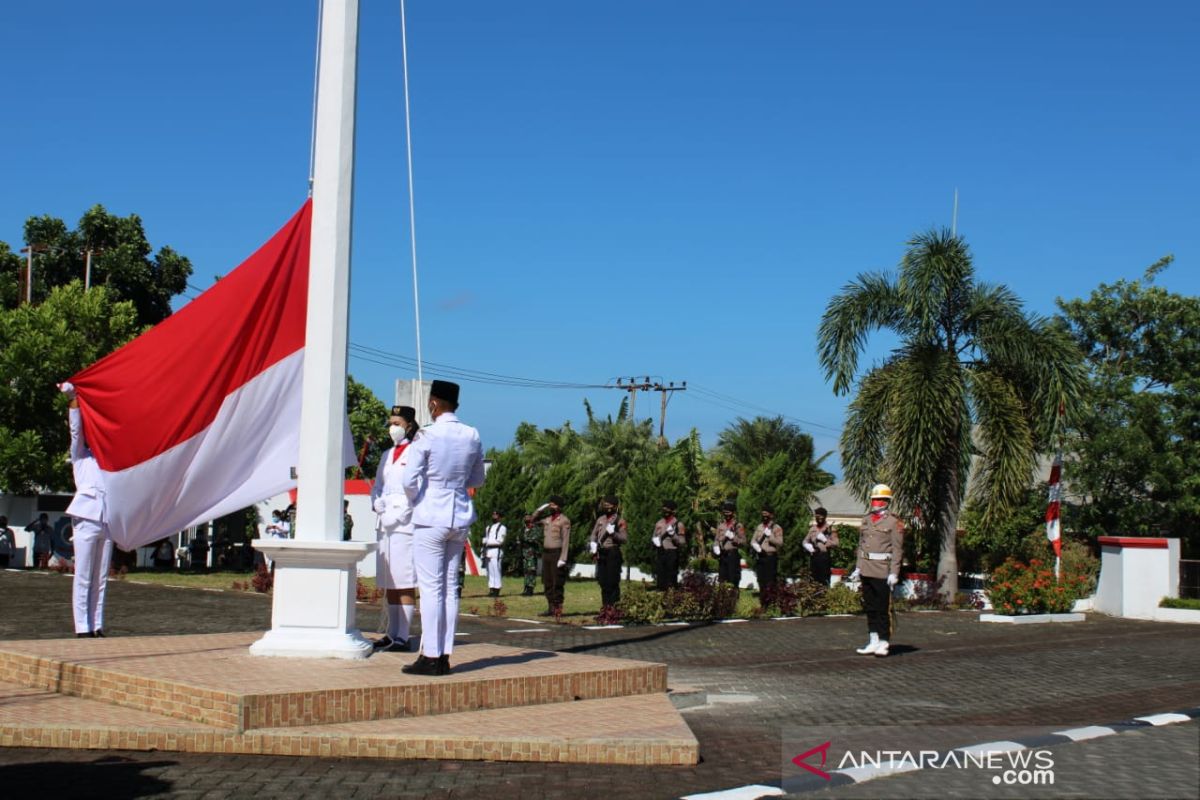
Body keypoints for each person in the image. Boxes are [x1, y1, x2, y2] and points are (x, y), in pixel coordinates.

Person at [401, 381, 486, 676]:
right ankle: (445, 654)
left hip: (430, 515)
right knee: (450, 589)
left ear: (434, 404)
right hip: (459, 514)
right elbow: (477, 479)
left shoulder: (427, 433)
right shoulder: (471, 434)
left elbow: (409, 480)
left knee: (431, 588)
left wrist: (419, 500)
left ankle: (431, 655)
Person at [60, 382, 113, 638]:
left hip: (107, 519)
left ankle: (97, 624)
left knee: (101, 577)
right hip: (86, 517)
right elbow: (76, 432)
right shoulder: (81, 457)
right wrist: (74, 400)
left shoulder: (110, 461)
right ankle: (82, 626)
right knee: (83, 575)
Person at [371, 405, 421, 653]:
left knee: (403, 581)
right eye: (391, 423)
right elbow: (378, 485)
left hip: (403, 525)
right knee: (389, 581)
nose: (393, 428)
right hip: (385, 524)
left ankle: (403, 635)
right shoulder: (386, 455)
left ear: (409, 426)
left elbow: (418, 490)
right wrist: (377, 503)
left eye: (397, 423)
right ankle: (391, 633)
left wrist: (399, 515)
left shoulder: (415, 453)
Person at [849, 484, 904, 658]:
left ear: (887, 501)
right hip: (866, 568)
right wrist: (858, 567)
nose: (876, 502)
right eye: (874, 499)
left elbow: (897, 549)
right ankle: (873, 640)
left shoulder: (894, 522)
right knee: (870, 607)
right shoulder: (866, 519)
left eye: (879, 499)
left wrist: (894, 572)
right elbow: (861, 546)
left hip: (882, 570)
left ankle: (884, 641)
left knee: (882, 609)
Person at [534, 495, 571, 616]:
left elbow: (566, 540)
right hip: (546, 553)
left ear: (559, 506)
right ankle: (550, 607)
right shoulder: (548, 519)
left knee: (557, 582)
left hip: (557, 553)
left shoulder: (564, 520)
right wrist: (541, 509)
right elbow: (532, 520)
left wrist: (563, 558)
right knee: (547, 581)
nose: (551, 507)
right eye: (550, 504)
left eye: (553, 505)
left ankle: (557, 608)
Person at [590, 495, 628, 608]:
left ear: (615, 506)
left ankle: (614, 608)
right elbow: (593, 534)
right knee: (603, 581)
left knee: (612, 581)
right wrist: (592, 543)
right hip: (602, 553)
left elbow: (624, 538)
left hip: (613, 552)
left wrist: (614, 534)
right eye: (605, 505)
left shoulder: (619, 520)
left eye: (609, 505)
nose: (606, 507)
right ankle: (605, 607)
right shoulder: (600, 519)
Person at [652, 501, 686, 591]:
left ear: (673, 511)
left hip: (672, 553)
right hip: (660, 552)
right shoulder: (659, 523)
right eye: (663, 509)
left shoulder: (678, 524)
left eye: (667, 510)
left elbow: (682, 542)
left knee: (671, 579)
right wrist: (655, 541)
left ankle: (671, 597)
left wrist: (673, 535)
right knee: (660, 578)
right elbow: (654, 536)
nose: (665, 511)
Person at [751, 505, 783, 595]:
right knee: (761, 580)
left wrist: (771, 537)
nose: (764, 516)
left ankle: (771, 602)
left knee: (770, 581)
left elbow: (780, 543)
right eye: (763, 514)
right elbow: (753, 540)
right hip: (760, 557)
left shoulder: (776, 528)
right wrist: (756, 547)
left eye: (766, 514)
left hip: (770, 557)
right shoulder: (759, 527)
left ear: (771, 515)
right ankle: (763, 602)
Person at [802, 507, 839, 586]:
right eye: (817, 516)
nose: (818, 518)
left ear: (825, 516)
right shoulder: (813, 529)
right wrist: (807, 546)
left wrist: (825, 540)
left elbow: (836, 543)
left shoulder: (830, 529)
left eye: (821, 516)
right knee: (813, 580)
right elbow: (805, 540)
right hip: (814, 557)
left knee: (824, 581)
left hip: (824, 557)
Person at [713, 501, 745, 588]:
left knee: (733, 579)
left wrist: (733, 538)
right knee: (722, 579)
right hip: (722, 555)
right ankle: (723, 598)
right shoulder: (721, 526)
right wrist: (715, 546)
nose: (726, 515)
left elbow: (743, 542)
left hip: (732, 555)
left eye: (728, 513)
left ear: (733, 513)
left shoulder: (738, 526)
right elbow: (716, 539)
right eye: (725, 513)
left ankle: (733, 598)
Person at [482, 510, 507, 597]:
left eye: (496, 514)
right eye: (493, 514)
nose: (494, 516)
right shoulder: (488, 527)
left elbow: (500, 541)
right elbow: (485, 538)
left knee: (496, 570)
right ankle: (491, 588)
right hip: (488, 551)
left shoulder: (502, 527)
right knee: (490, 571)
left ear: (499, 517)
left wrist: (488, 541)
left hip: (496, 550)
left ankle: (497, 589)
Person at [520, 514, 540, 596]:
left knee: (531, 570)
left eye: (528, 517)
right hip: (524, 552)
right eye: (525, 517)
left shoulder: (535, 528)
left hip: (531, 552)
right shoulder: (523, 529)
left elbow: (534, 538)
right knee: (526, 571)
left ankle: (530, 589)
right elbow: (518, 537)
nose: (526, 518)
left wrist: (525, 539)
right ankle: (526, 587)